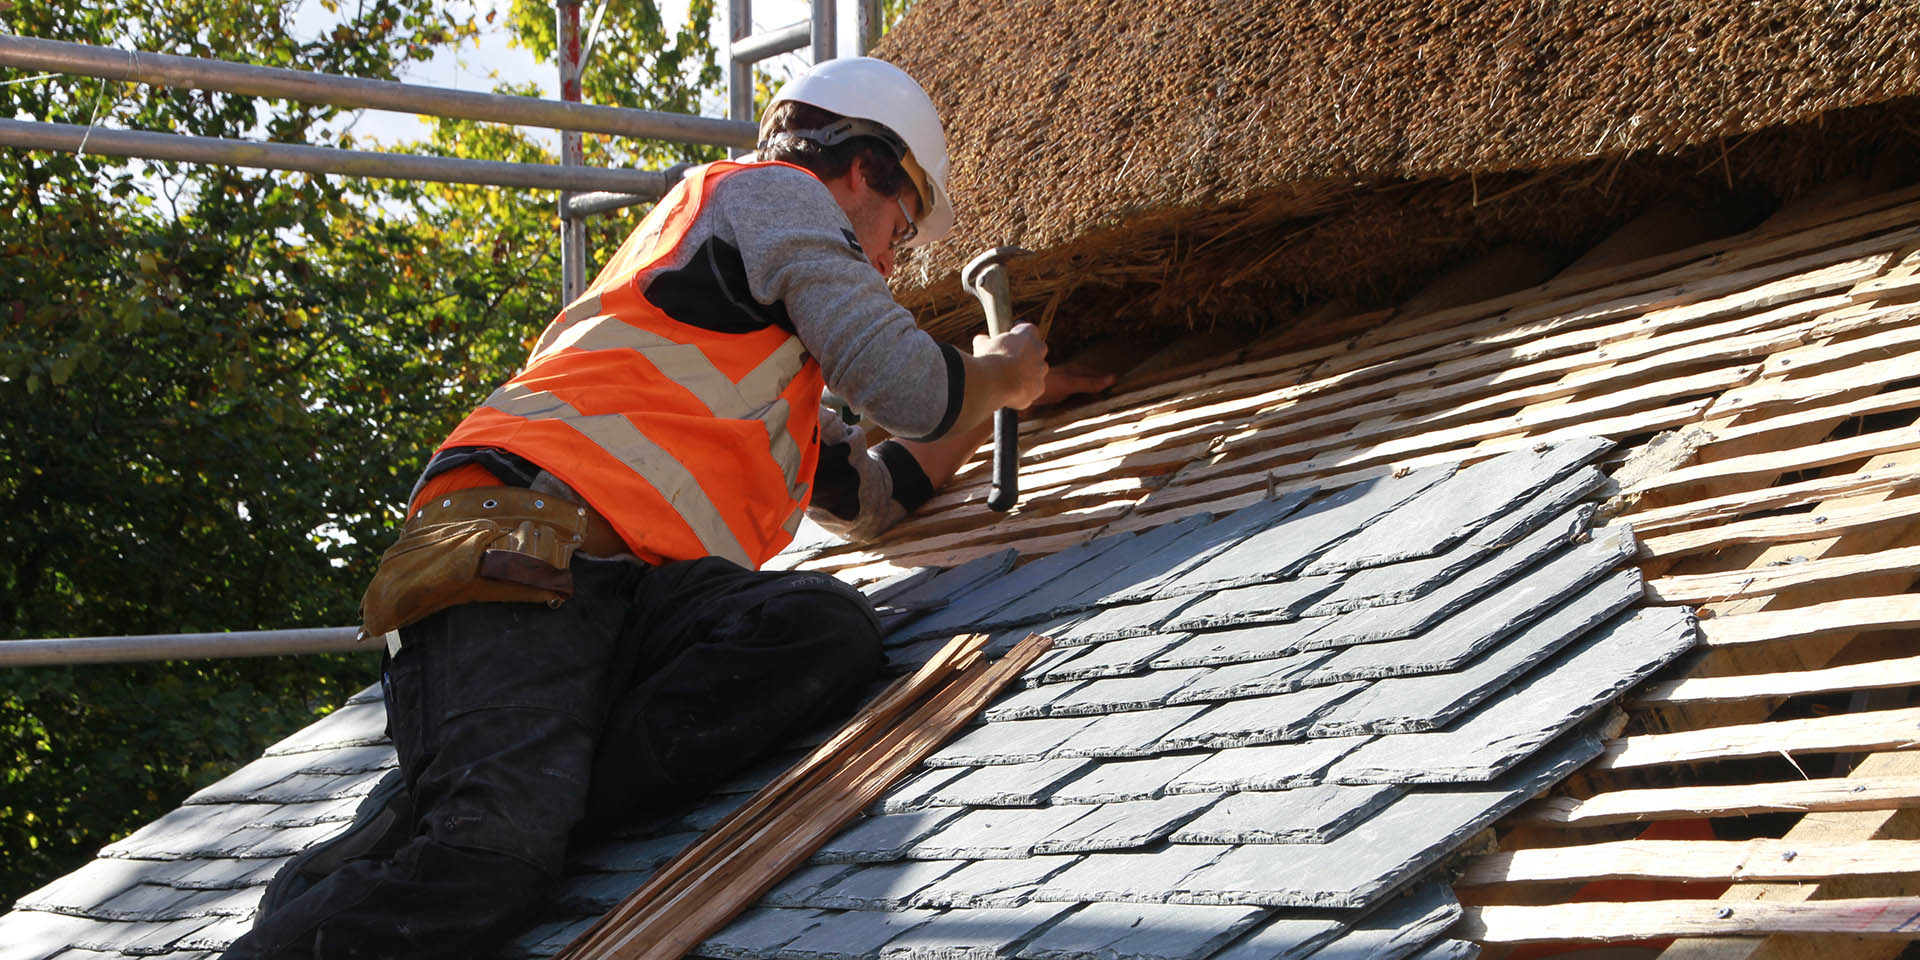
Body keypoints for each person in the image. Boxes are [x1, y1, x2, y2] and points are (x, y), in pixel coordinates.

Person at [221, 56, 1078, 959]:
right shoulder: (770, 196)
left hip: (630, 592)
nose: (891, 260)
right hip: (520, 534)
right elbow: (908, 383)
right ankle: (462, 822)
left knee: (821, 626)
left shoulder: (759, 351)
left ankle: (482, 792)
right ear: (863, 169)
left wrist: (1011, 403)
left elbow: (872, 503)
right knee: (489, 863)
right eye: (900, 228)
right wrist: (998, 373)